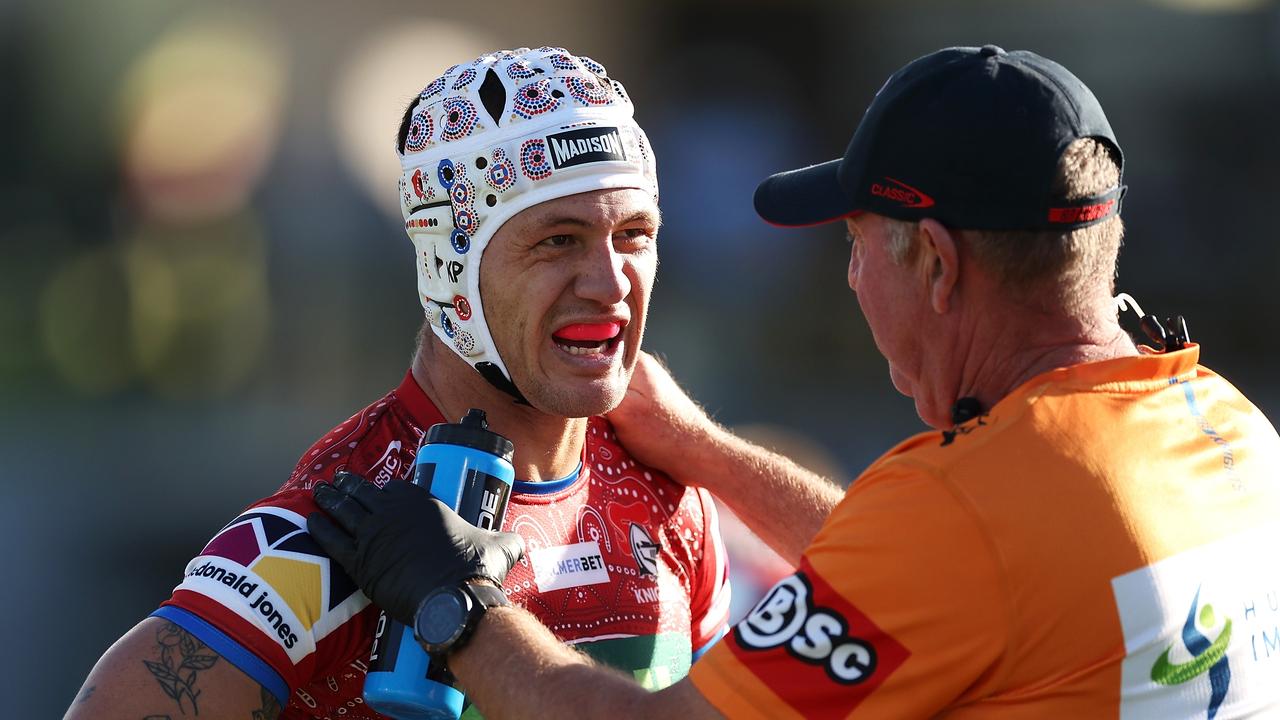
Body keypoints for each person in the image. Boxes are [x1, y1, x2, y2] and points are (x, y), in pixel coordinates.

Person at [306, 44, 1280, 718]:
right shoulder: (1227, 430)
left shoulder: (959, 516)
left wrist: (452, 604)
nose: (850, 278)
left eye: (856, 247)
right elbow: (944, 586)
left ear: (936, 266)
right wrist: (704, 451)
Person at [66, 47, 731, 720]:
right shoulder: (339, 529)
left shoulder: (677, 500)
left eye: (634, 234)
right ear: (450, 269)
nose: (611, 282)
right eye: (558, 240)